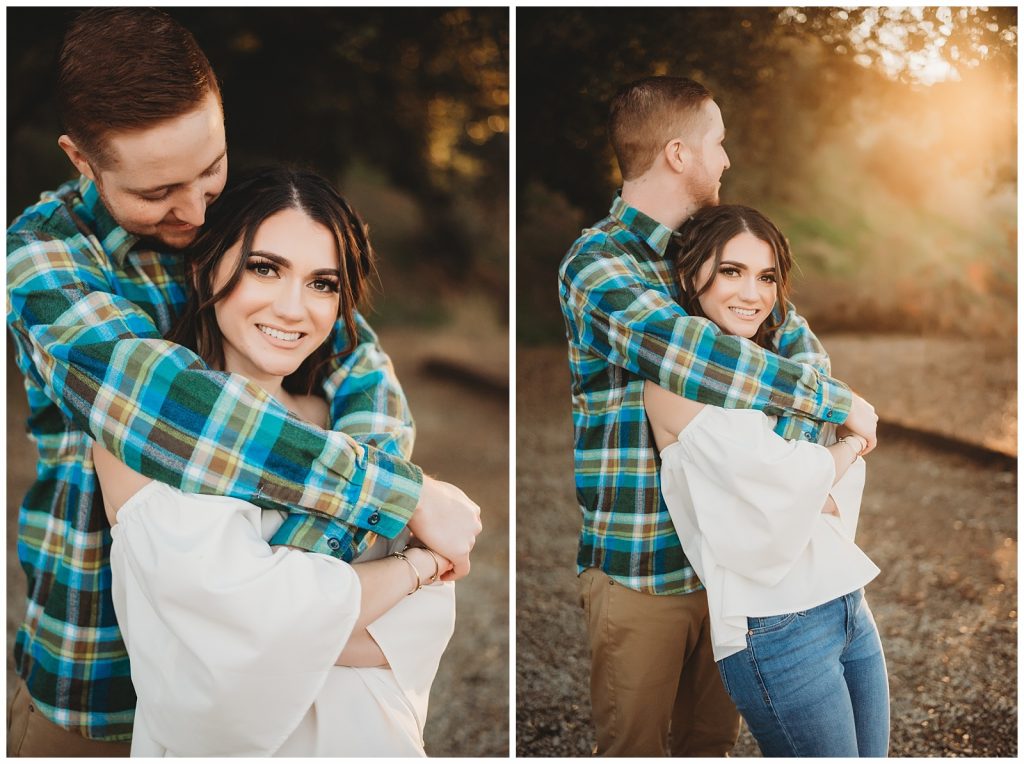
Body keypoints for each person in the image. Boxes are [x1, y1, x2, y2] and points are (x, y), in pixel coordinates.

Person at [6, 8, 480, 756]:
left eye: (211, 170)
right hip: (97, 675)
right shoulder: (45, 259)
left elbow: (358, 362)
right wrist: (400, 498)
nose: (197, 210)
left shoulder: (236, 218)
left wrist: (289, 581)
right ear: (81, 160)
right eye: (158, 191)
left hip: (294, 689)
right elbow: (167, 407)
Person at [558, 75, 879, 757]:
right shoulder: (600, 263)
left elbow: (805, 351)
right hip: (644, 566)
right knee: (634, 749)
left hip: (733, 574)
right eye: (719, 142)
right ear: (678, 153)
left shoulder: (715, 250)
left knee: (711, 747)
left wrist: (786, 462)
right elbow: (697, 357)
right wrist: (834, 410)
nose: (726, 159)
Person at [93, 166, 457, 756]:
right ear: (205, 267)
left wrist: (301, 622)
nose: (293, 309)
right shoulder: (139, 437)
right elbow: (240, 630)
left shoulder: (347, 429)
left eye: (322, 283)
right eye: (265, 268)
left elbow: (422, 626)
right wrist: (417, 568)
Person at [644, 203, 888, 757]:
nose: (752, 294)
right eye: (732, 271)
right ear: (693, 275)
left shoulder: (776, 369)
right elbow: (792, 481)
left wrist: (815, 476)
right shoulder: (670, 386)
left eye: (767, 276)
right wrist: (850, 445)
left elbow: (814, 488)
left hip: (846, 599)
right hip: (775, 626)